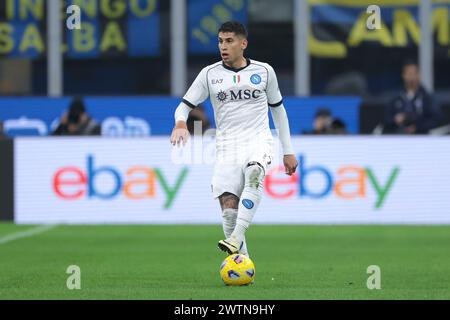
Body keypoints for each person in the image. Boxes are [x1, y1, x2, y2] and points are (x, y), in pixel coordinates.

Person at [170, 21, 297, 258]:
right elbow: (183, 107)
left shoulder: (264, 71)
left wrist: (287, 150)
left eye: (229, 41)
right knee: (228, 206)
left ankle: (236, 238)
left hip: (258, 139)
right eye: (220, 41)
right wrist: (180, 123)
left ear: (243, 43)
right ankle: (242, 263)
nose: (223, 46)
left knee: (254, 173)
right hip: (227, 146)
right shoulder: (209, 74)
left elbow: (278, 110)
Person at [384, 60, 439, 134]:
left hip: (422, 138)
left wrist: (417, 126)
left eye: (414, 73)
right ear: (403, 75)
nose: (412, 77)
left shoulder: (427, 98)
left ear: (419, 75)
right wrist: (396, 120)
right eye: (409, 73)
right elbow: (386, 119)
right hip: (398, 138)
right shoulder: (396, 98)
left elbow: (435, 119)